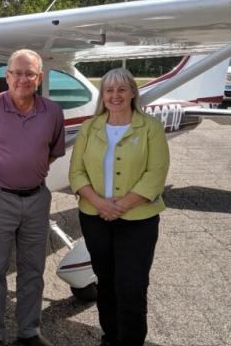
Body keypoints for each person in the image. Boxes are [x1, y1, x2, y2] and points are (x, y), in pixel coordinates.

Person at [0, 49, 65, 346]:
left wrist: (27, 172)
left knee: (33, 269)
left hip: (37, 199)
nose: (22, 79)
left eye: (29, 73)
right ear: (7, 76)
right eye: (16, 73)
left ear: (39, 78)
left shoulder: (52, 112)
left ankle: (29, 331)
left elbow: (53, 152)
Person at [68, 68, 170, 346]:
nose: (115, 95)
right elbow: (76, 172)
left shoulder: (150, 127)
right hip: (95, 218)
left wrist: (121, 205)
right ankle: (110, 337)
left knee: (132, 286)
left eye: (122, 89)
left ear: (133, 92)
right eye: (109, 90)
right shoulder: (90, 127)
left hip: (138, 220)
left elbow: (156, 173)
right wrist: (100, 203)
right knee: (107, 282)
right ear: (103, 95)